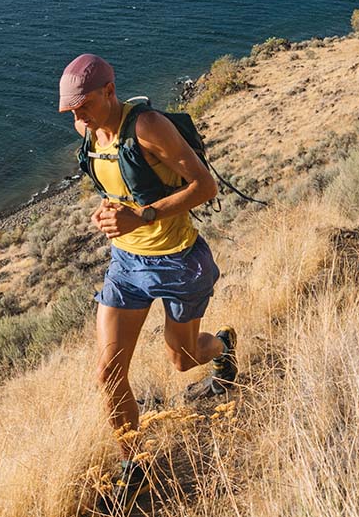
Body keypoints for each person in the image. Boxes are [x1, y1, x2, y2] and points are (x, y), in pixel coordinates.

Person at [58, 53, 237, 510]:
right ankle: (134, 466)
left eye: (84, 105)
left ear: (109, 91)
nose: (78, 116)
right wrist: (109, 211)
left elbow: (204, 186)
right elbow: (118, 184)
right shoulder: (86, 130)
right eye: (71, 110)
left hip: (178, 262)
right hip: (126, 266)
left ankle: (223, 348)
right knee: (108, 372)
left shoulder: (148, 127)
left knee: (183, 359)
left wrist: (142, 216)